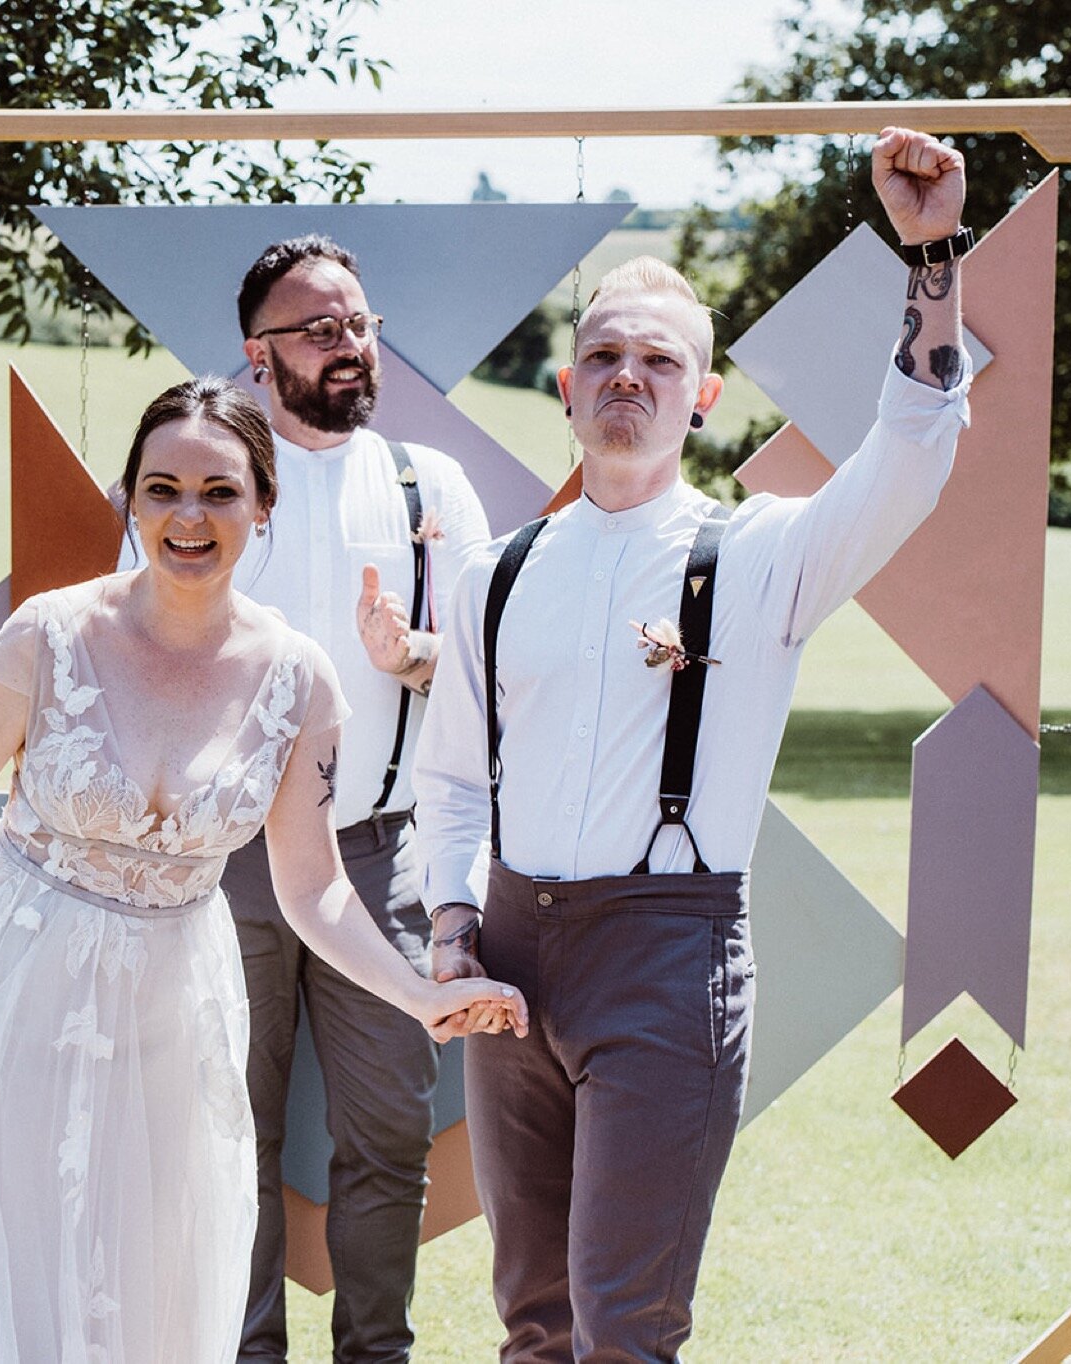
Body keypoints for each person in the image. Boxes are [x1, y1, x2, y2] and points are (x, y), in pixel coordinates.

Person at [0, 377, 524, 1364]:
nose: (189, 515)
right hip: (1, 991)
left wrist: (416, 993)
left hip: (168, 1018)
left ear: (264, 504)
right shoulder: (44, 637)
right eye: (162, 487)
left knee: (129, 1288)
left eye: (219, 491)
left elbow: (310, 885)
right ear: (128, 499)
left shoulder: (299, 677)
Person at [412, 127, 974, 1363]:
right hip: (504, 952)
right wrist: (451, 931)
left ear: (700, 395)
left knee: (625, 1323)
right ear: (563, 384)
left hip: (664, 959)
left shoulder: (761, 554)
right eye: (600, 356)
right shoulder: (491, 575)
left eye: (656, 361)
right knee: (530, 1319)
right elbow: (450, 781)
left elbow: (912, 453)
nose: (626, 377)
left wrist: (928, 257)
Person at [228, 234, 491, 1363]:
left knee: (388, 1122)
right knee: (225, 1125)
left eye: (359, 324)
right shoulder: (215, 479)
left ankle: (373, 1352)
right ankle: (241, 1350)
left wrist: (418, 653)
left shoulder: (430, 483)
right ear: (259, 354)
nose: (347, 346)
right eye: (318, 329)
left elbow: (493, 671)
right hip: (224, 860)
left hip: (379, 856)